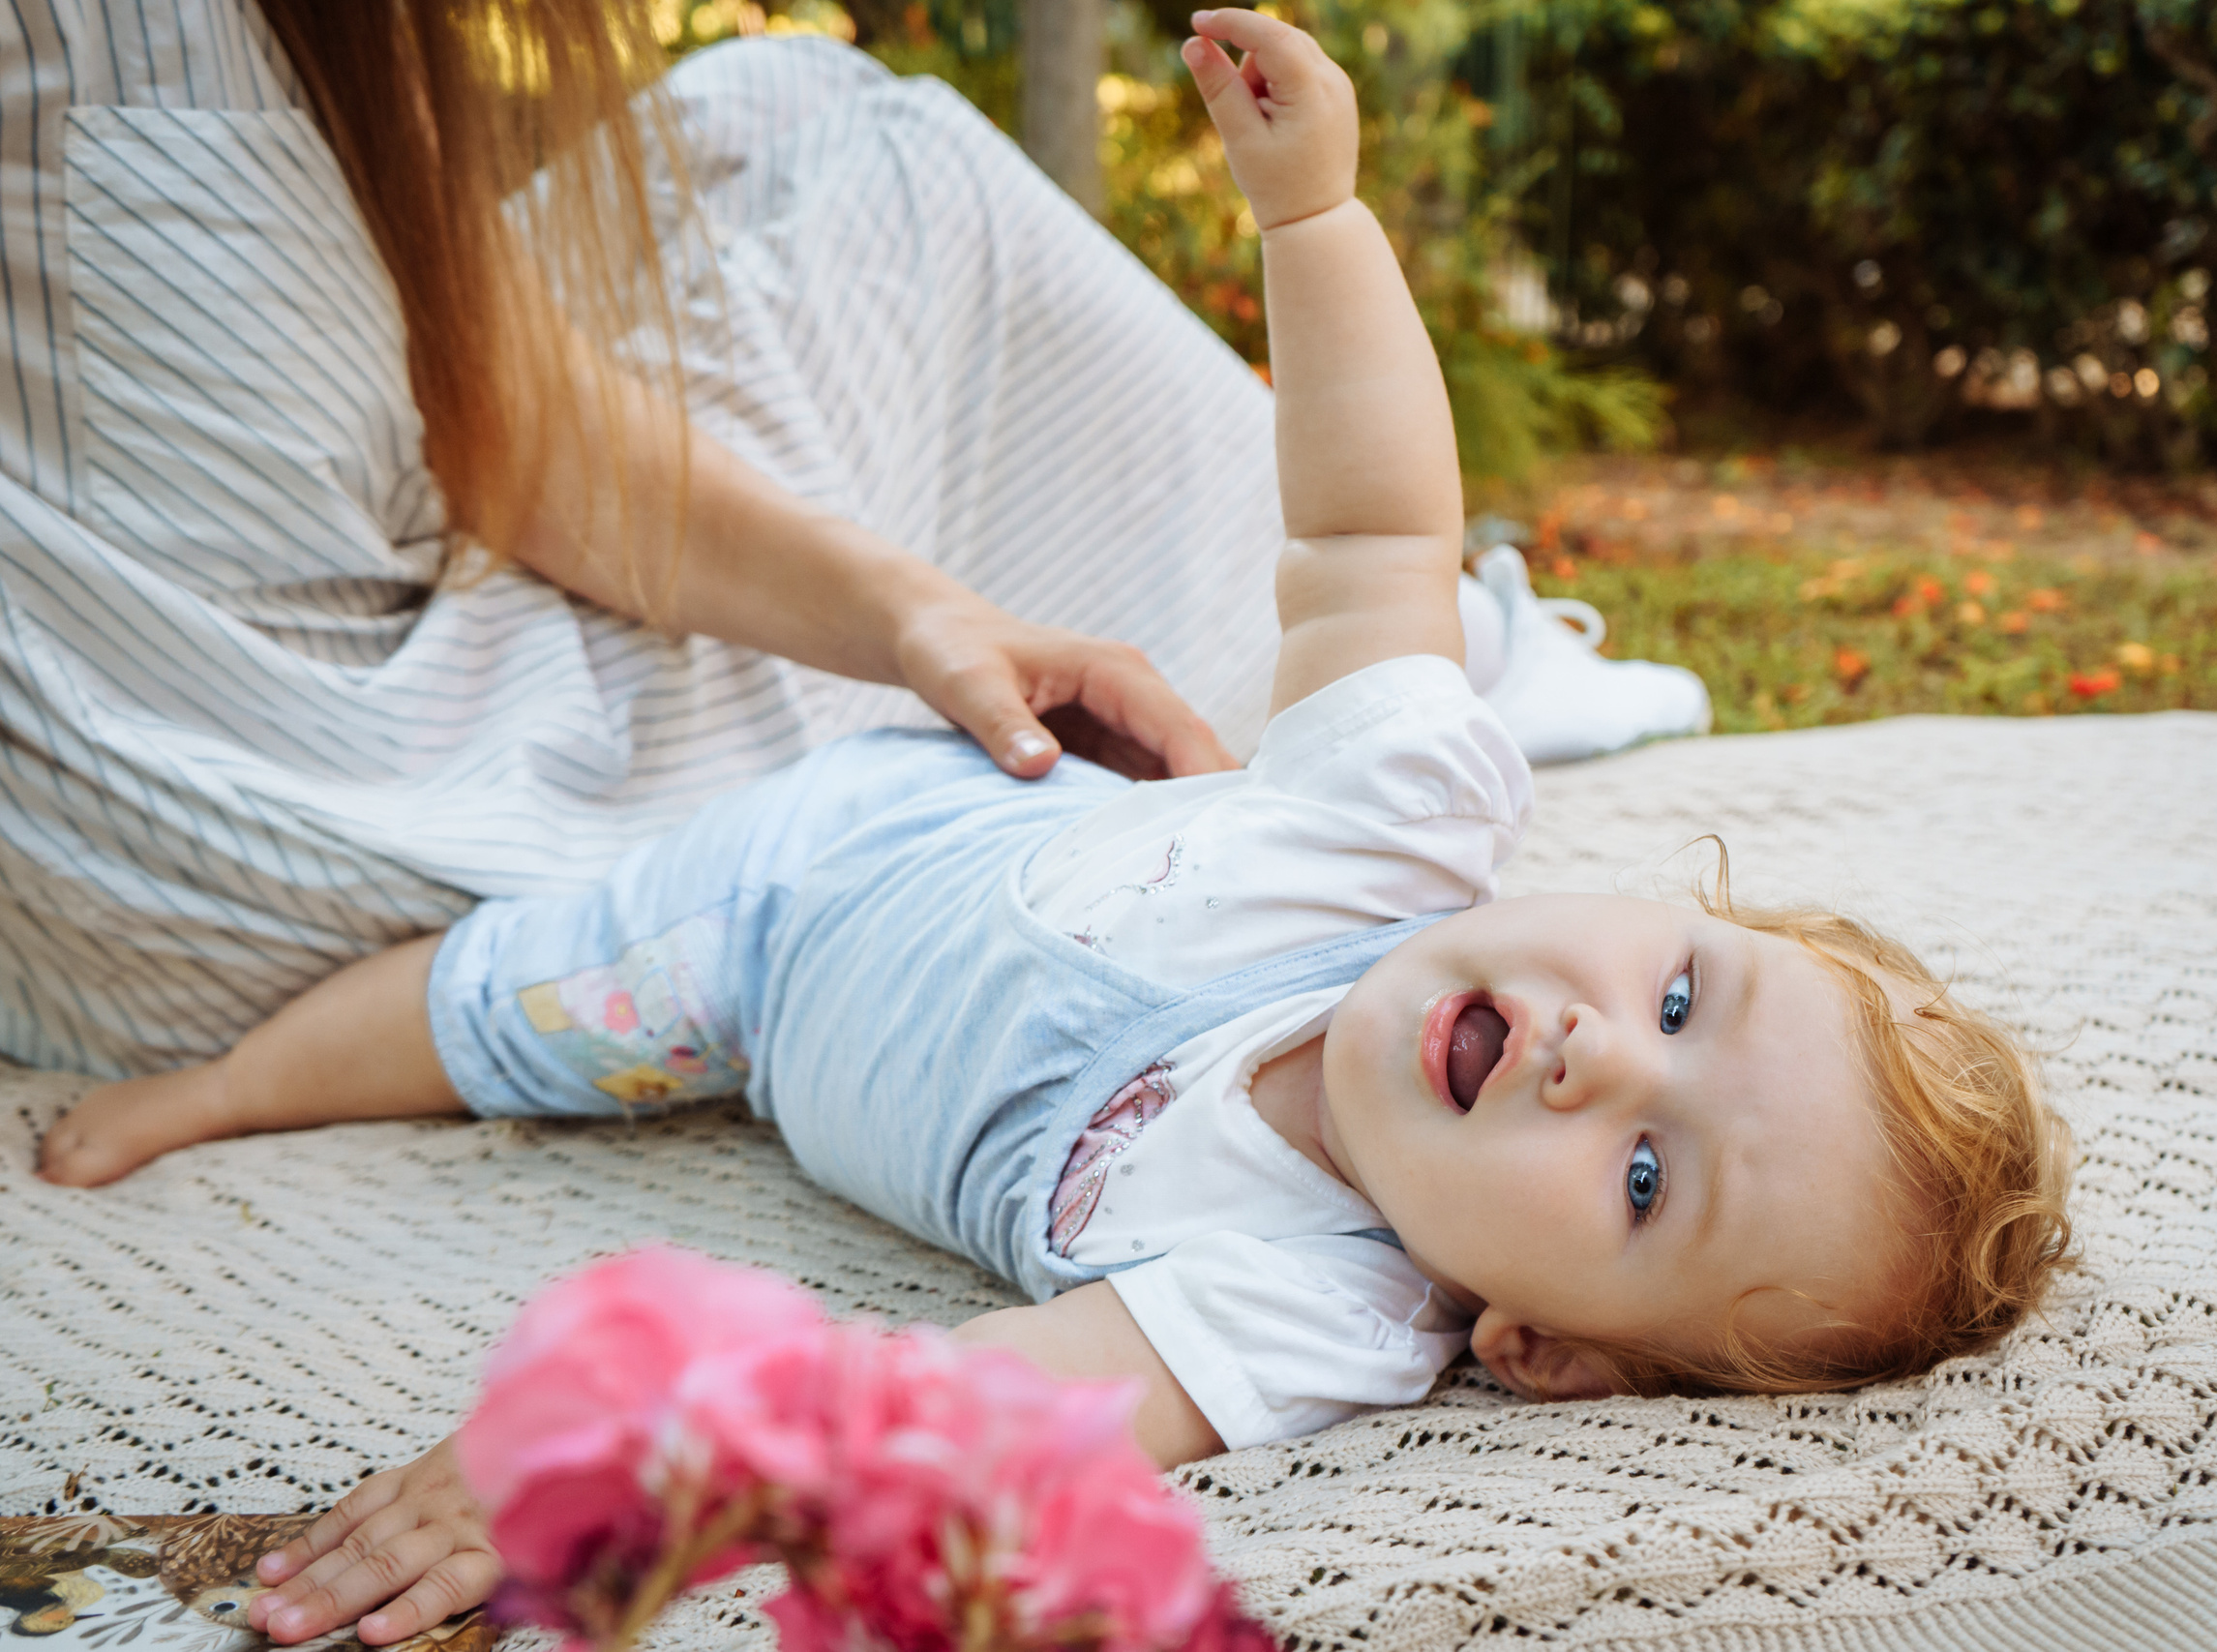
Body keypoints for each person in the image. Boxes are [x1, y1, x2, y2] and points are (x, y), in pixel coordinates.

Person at [39, 11, 2074, 1642]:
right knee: (397, 1007)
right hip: (932, 784)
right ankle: (227, 1084)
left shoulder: (1313, 1303)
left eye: (1644, 1168)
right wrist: (1314, 221)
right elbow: (1366, 531)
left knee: (490, 1005)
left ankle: (226, 1081)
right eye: (1678, 990)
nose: (1593, 1047)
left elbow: (966, 1403)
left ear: (1537, 1347)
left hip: (746, 956)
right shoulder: (1396, 832)